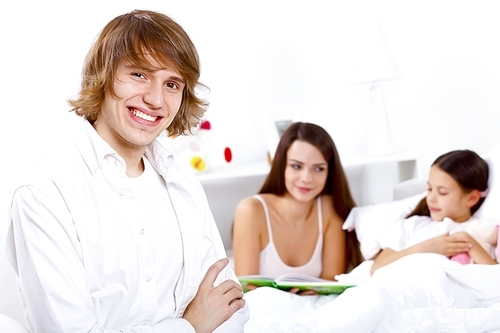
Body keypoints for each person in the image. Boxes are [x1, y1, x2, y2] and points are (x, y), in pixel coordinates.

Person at [6, 9, 248, 332]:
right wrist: (190, 326)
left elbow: (231, 309)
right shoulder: (45, 195)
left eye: (172, 84)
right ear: (102, 76)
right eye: (139, 75)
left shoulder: (184, 186)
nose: (155, 99)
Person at [232, 122, 362, 290]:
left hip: (309, 309)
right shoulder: (250, 210)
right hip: (264, 309)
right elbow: (246, 288)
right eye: (296, 166)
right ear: (281, 165)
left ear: (329, 172)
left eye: (319, 169)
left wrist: (307, 296)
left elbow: (329, 285)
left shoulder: (329, 209)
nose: (307, 178)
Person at [371, 149, 497, 274]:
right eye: (429, 189)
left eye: (442, 192)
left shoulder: (481, 230)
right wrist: (427, 247)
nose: (431, 198)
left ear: (471, 198)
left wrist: (468, 242)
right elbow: (377, 269)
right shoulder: (413, 225)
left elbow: (495, 277)